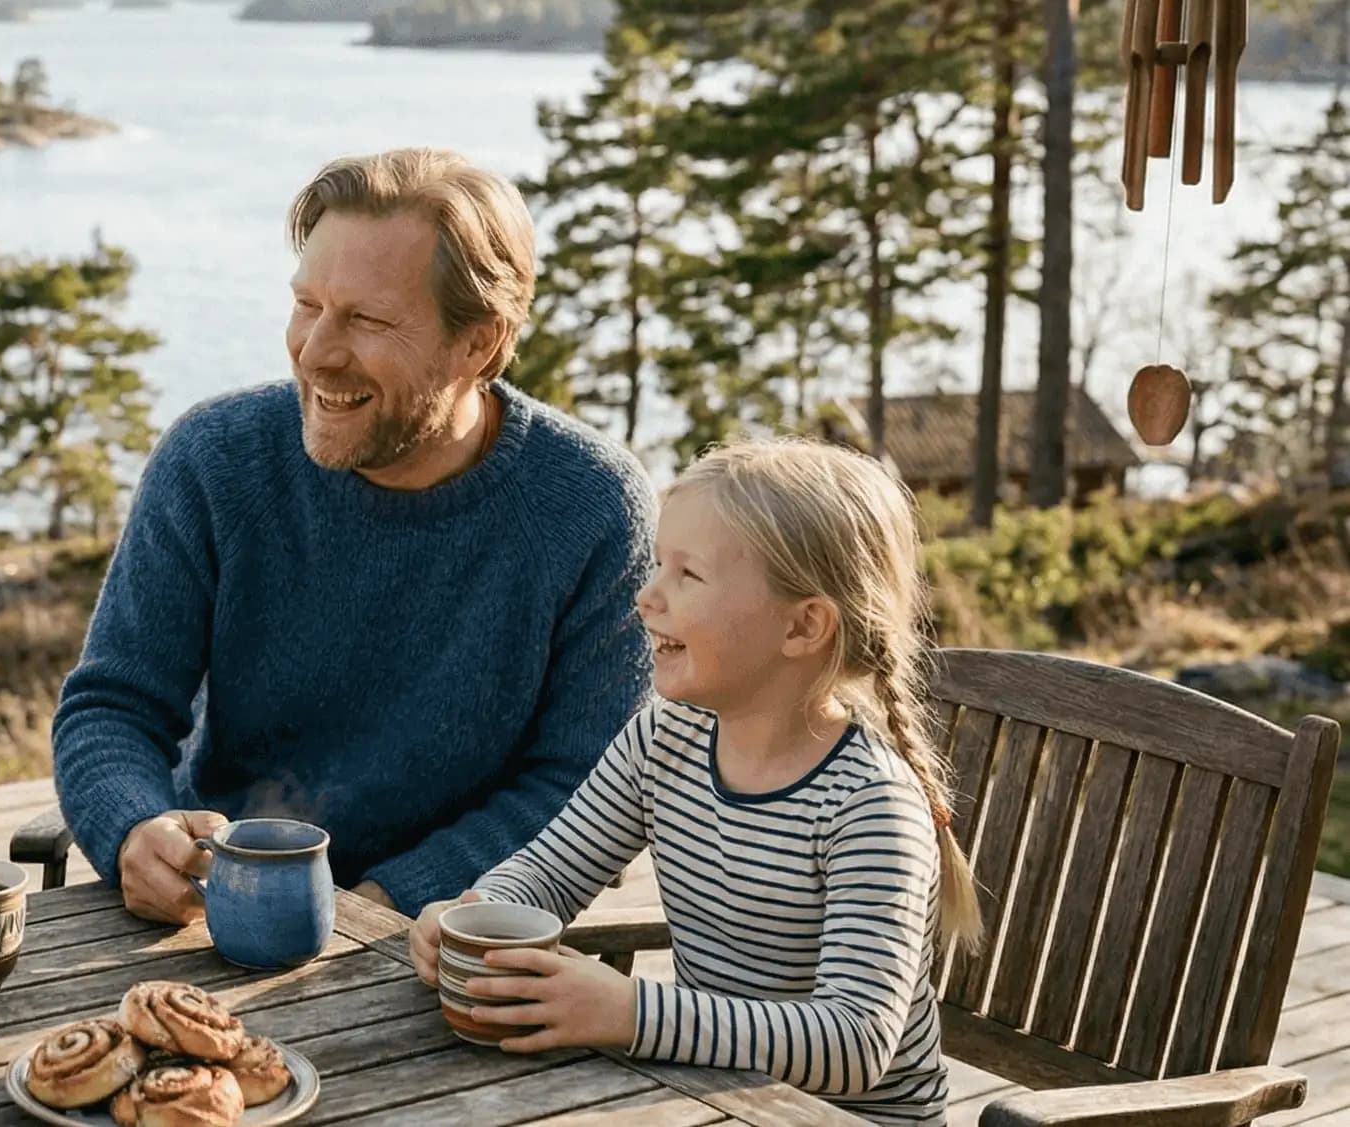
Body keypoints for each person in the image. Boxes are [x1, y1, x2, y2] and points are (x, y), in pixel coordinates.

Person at [51, 147, 657, 924]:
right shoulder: (214, 459)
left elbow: (583, 787)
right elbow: (112, 704)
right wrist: (133, 824)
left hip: (450, 937)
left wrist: (382, 905)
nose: (316, 350)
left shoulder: (593, 507)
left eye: (367, 319)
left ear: (480, 342)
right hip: (210, 914)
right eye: (308, 304)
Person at [419, 438, 979, 1125]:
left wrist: (628, 1011)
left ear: (803, 625)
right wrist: (472, 914)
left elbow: (854, 1040)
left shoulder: (870, 807)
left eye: (688, 575)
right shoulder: (666, 738)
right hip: (716, 1104)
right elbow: (549, 873)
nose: (648, 596)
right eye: (658, 564)